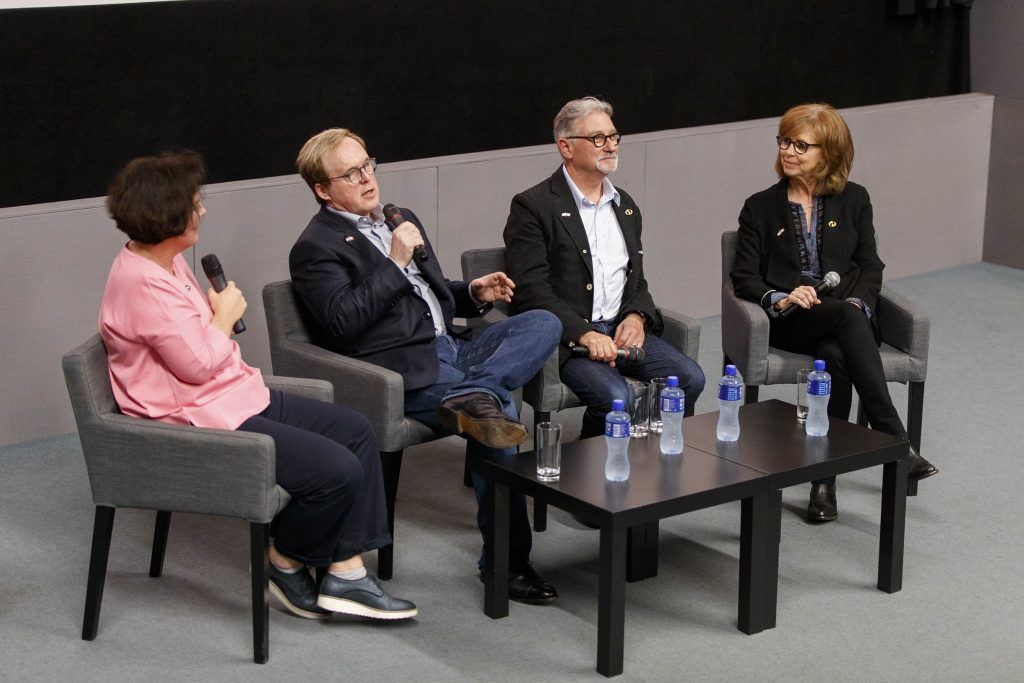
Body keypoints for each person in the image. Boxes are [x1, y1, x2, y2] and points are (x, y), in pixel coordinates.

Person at [99, 151, 416, 621]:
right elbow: (198, 366)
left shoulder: (165, 259)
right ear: (168, 218)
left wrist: (213, 318)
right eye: (195, 203)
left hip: (232, 393)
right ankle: (286, 562)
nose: (202, 209)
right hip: (199, 417)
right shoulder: (141, 284)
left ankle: (344, 572)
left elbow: (194, 347)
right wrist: (223, 318)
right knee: (337, 471)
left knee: (355, 429)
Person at [289, 129, 562, 604]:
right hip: (399, 370)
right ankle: (508, 561)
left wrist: (473, 293)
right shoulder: (315, 248)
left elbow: (431, 294)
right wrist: (393, 263)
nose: (368, 178)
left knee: (542, 320)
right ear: (321, 188)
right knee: (499, 418)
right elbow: (342, 325)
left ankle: (479, 391)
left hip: (454, 349)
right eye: (351, 173)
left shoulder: (400, 218)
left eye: (369, 164)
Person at [731, 102, 939, 523]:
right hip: (791, 322)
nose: (788, 151)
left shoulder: (855, 199)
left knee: (838, 354)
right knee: (846, 320)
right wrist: (783, 296)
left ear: (827, 153)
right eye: (784, 141)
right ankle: (896, 438)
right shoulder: (760, 206)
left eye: (800, 145)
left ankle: (823, 484)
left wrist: (859, 304)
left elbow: (870, 266)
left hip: (842, 319)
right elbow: (744, 278)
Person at [503, 96, 705, 439]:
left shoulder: (624, 205)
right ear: (566, 147)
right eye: (597, 138)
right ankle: (591, 479)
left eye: (613, 137)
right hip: (569, 342)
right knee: (617, 399)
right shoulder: (533, 207)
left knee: (690, 378)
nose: (609, 146)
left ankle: (650, 462)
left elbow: (637, 279)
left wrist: (636, 317)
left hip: (620, 329)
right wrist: (584, 333)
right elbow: (530, 290)